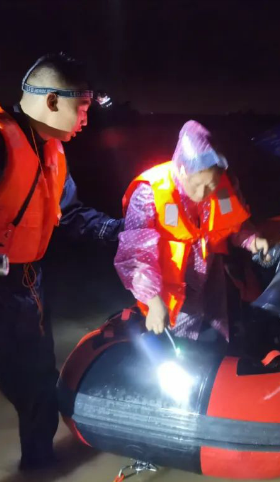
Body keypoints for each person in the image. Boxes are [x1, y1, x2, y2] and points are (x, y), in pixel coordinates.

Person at [0, 53, 124, 482]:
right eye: (81, 107)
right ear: (50, 100)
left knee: (39, 391)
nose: (87, 118)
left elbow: (70, 216)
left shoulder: (50, 150)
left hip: (23, 290)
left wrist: (125, 232)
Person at [115, 120, 270, 344]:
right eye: (198, 185)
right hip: (170, 285)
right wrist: (153, 299)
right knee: (178, 352)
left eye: (211, 185)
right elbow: (136, 254)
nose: (204, 193)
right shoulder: (149, 192)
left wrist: (252, 240)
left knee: (216, 343)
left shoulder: (223, 184)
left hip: (211, 278)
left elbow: (233, 223)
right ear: (181, 170)